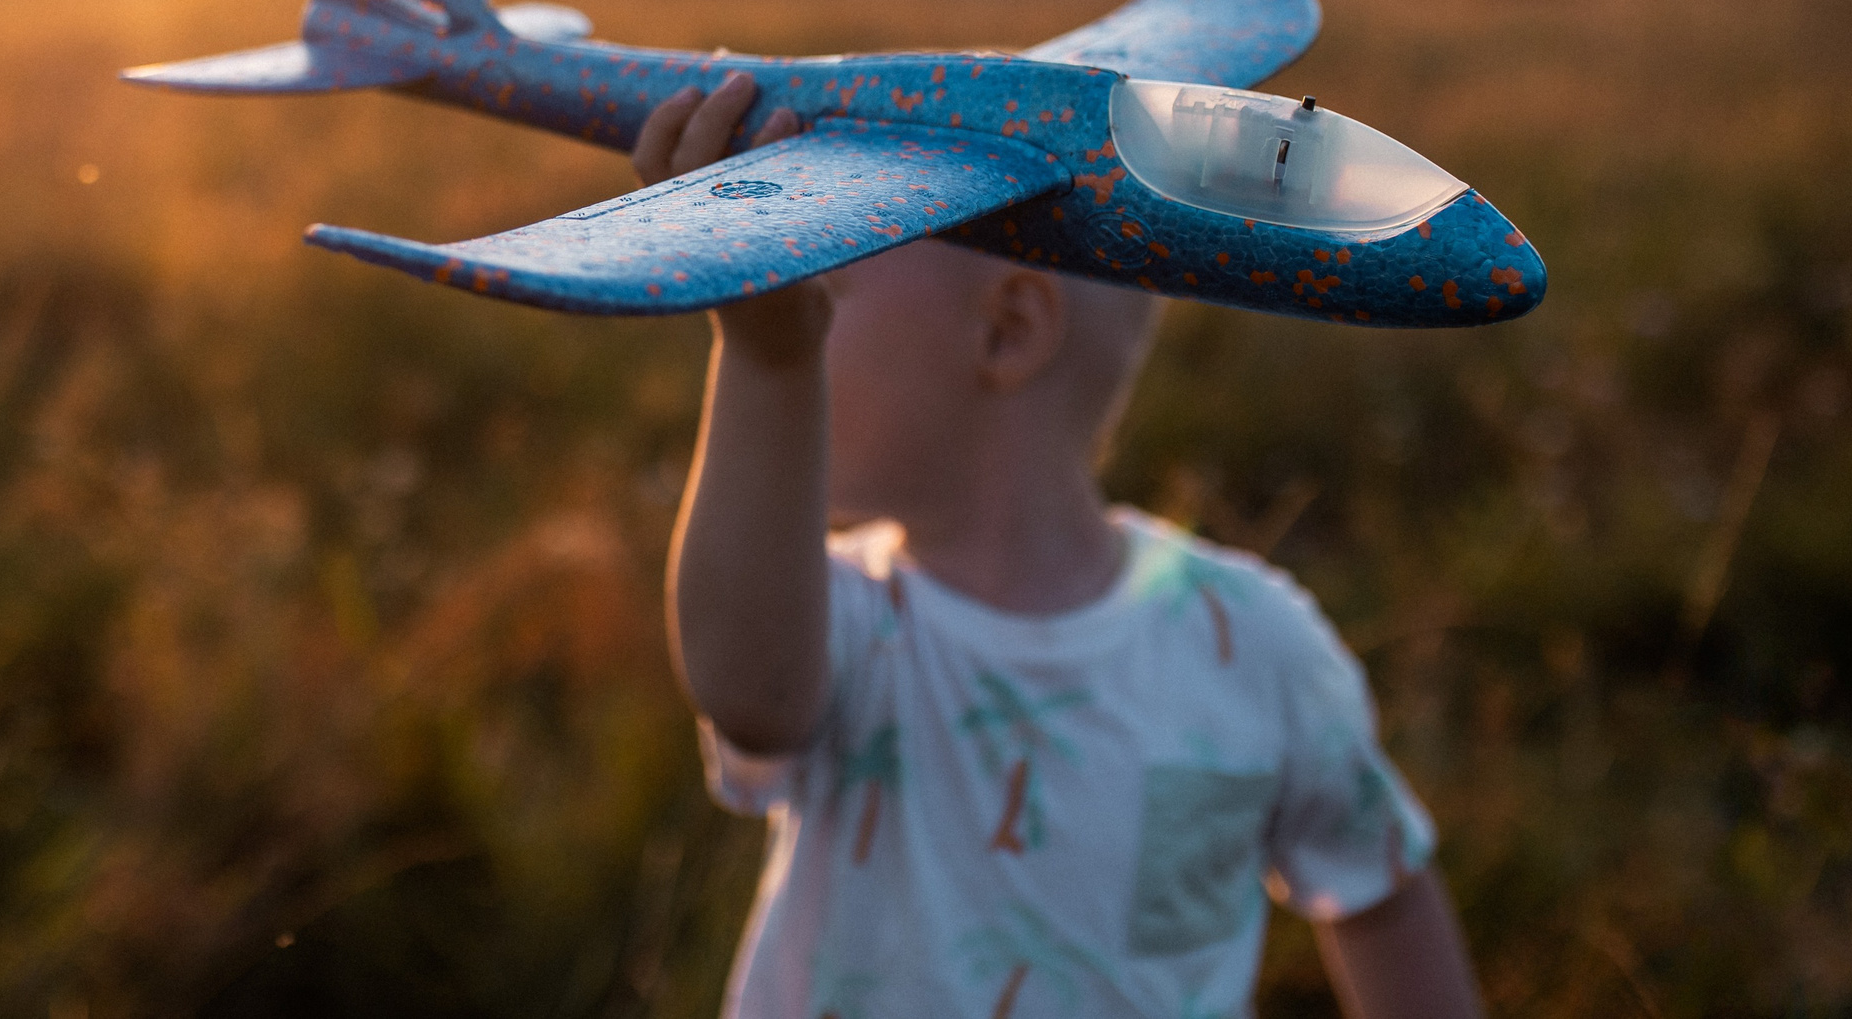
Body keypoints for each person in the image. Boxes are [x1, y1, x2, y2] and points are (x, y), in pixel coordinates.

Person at [635, 71, 1482, 1019]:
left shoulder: (1256, 648)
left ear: (1006, 331)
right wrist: (764, 355)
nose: (788, 324)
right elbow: (749, 692)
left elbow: (1378, 888)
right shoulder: (850, 621)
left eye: (819, 290)